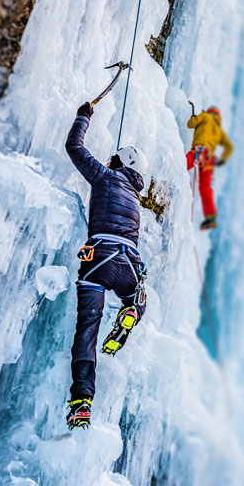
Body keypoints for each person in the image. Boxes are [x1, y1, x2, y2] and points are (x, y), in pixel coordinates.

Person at [63, 101, 149, 430]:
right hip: (128, 262)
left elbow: (74, 147)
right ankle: (131, 313)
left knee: (87, 329)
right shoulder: (135, 198)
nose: (109, 159)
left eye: (115, 157)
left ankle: (82, 401)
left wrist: (84, 115)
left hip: (99, 259)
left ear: (120, 162)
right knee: (137, 297)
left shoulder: (105, 176)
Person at [186, 106, 234, 230]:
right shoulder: (219, 130)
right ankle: (211, 216)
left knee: (182, 164)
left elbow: (190, 124)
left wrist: (194, 117)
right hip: (209, 159)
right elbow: (229, 147)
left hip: (199, 151)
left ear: (210, 113)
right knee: (205, 187)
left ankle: (167, 176)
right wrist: (222, 160)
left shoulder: (205, 116)